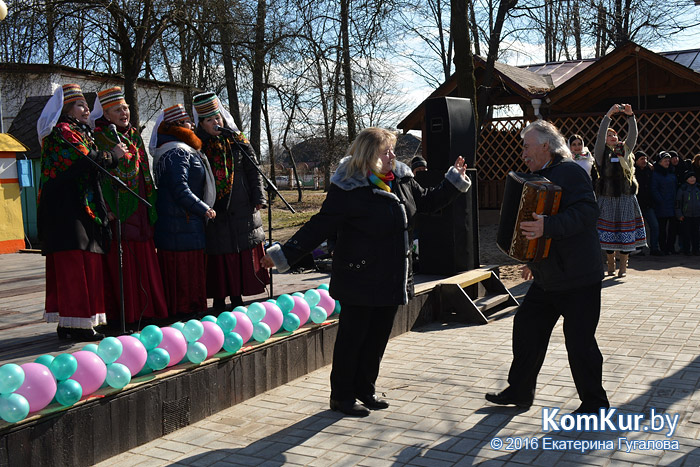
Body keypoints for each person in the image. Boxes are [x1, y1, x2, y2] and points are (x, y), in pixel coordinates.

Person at [261, 127, 471, 417]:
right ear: (369, 155)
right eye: (386, 151)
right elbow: (319, 226)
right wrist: (285, 253)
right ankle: (342, 397)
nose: (393, 156)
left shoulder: (401, 179)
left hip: (392, 276)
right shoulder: (348, 187)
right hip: (359, 277)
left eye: (392, 150)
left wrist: (453, 181)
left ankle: (365, 389)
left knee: (377, 339)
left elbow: (429, 203)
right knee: (352, 339)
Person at [486, 120, 609, 414]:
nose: (523, 153)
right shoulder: (538, 176)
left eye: (527, 146)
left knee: (580, 342)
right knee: (527, 327)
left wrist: (548, 226)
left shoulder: (570, 172)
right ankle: (520, 392)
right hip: (548, 276)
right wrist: (531, 258)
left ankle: (595, 403)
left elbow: (588, 213)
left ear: (545, 146)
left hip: (579, 276)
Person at [36, 84, 127, 340]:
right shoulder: (62, 132)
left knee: (82, 263)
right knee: (74, 265)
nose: (87, 109)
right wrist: (113, 156)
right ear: (66, 110)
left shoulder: (78, 131)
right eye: (80, 105)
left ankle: (73, 323)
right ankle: (76, 324)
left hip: (79, 207)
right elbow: (84, 161)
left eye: (87, 105)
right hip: (65, 211)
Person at [91, 86, 168, 327]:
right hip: (119, 209)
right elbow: (101, 177)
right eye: (117, 109)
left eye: (125, 108)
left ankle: (150, 309)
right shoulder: (100, 137)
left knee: (144, 256)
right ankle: (128, 313)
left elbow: (142, 167)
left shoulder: (133, 135)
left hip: (140, 205)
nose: (124, 112)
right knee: (124, 262)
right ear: (106, 114)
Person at [193, 92, 270, 311]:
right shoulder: (199, 146)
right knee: (220, 256)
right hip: (216, 210)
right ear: (202, 124)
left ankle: (237, 298)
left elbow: (253, 171)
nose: (216, 122)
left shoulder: (238, 140)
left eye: (217, 117)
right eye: (209, 120)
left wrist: (259, 197)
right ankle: (219, 301)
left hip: (242, 205)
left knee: (238, 254)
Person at [151, 104, 217, 319]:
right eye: (189, 122)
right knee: (184, 274)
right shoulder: (177, 151)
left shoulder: (178, 149)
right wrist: (203, 208)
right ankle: (185, 314)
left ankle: (188, 311)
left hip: (184, 224)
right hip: (181, 224)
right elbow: (180, 188)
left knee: (187, 273)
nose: (192, 125)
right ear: (179, 126)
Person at [593, 104, 646, 277]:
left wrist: (630, 116)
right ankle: (610, 264)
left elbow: (633, 135)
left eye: (614, 134)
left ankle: (623, 266)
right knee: (608, 234)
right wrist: (609, 115)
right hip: (607, 198)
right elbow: (600, 136)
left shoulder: (625, 150)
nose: (612, 136)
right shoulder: (601, 153)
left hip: (625, 197)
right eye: (609, 135)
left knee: (625, 233)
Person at [651, 152, 678, 254]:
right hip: (661, 205)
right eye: (664, 161)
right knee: (662, 229)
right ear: (659, 162)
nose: (667, 162)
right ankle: (663, 248)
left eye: (668, 160)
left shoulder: (671, 172)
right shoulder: (656, 174)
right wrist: (660, 200)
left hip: (672, 204)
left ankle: (671, 247)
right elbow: (654, 189)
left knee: (673, 229)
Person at [634, 151, 660, 255]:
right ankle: (638, 249)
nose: (644, 161)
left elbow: (661, 167)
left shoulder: (649, 170)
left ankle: (654, 248)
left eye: (645, 159)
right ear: (636, 161)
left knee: (655, 226)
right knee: (637, 228)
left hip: (648, 204)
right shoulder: (633, 171)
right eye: (641, 159)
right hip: (636, 204)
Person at [675, 171, 700, 256]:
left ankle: (696, 249)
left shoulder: (698, 188)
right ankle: (686, 250)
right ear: (686, 179)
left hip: (697, 214)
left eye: (694, 177)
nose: (692, 179)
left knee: (696, 233)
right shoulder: (683, 189)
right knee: (686, 234)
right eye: (690, 177)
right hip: (686, 215)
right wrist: (679, 214)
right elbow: (678, 203)